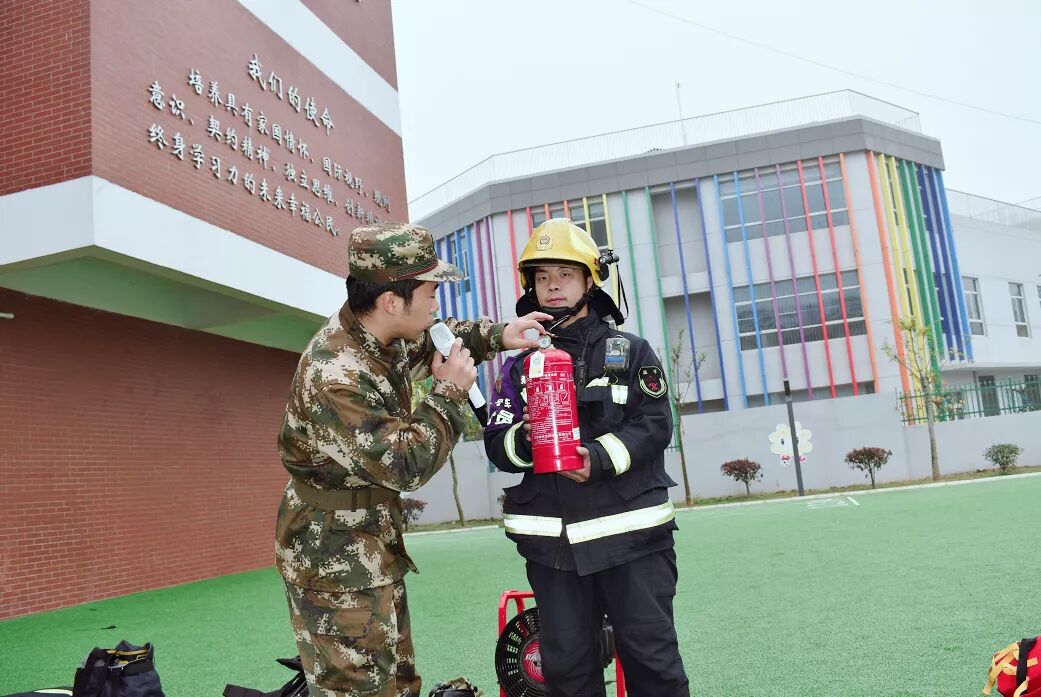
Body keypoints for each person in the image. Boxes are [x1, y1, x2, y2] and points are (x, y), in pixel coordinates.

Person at [275, 221, 550, 697]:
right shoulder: (335, 374)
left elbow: (440, 338)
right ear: (390, 300)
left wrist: (503, 334)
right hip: (333, 555)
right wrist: (448, 394)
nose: (437, 303)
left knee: (398, 683)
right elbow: (405, 465)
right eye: (430, 291)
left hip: (370, 540)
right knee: (358, 689)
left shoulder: (388, 335)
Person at [484, 219, 689, 697]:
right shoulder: (518, 366)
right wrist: (526, 439)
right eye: (541, 277)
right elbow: (497, 443)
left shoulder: (631, 351)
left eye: (565, 274)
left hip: (633, 542)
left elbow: (655, 425)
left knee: (653, 663)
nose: (552, 285)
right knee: (568, 673)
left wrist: (596, 458)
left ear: (590, 281)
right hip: (555, 552)